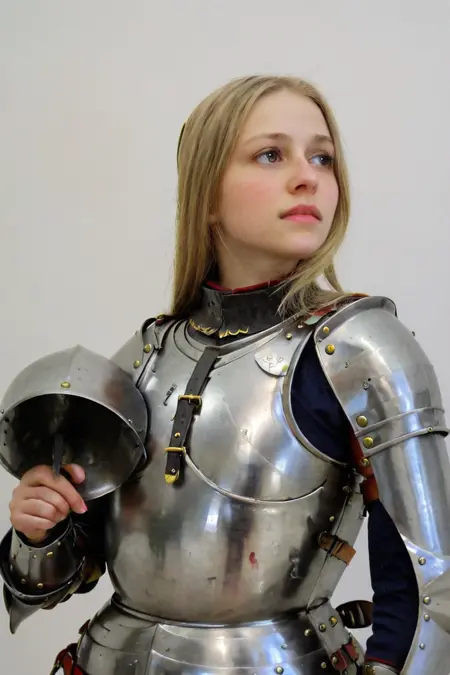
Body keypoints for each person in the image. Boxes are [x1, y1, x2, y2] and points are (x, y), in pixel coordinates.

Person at [1, 74, 449, 675]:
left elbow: (430, 586)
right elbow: (69, 569)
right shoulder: (145, 354)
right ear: (206, 192)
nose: (307, 176)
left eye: (322, 158)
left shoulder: (359, 348)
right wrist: (40, 532)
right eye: (271, 155)